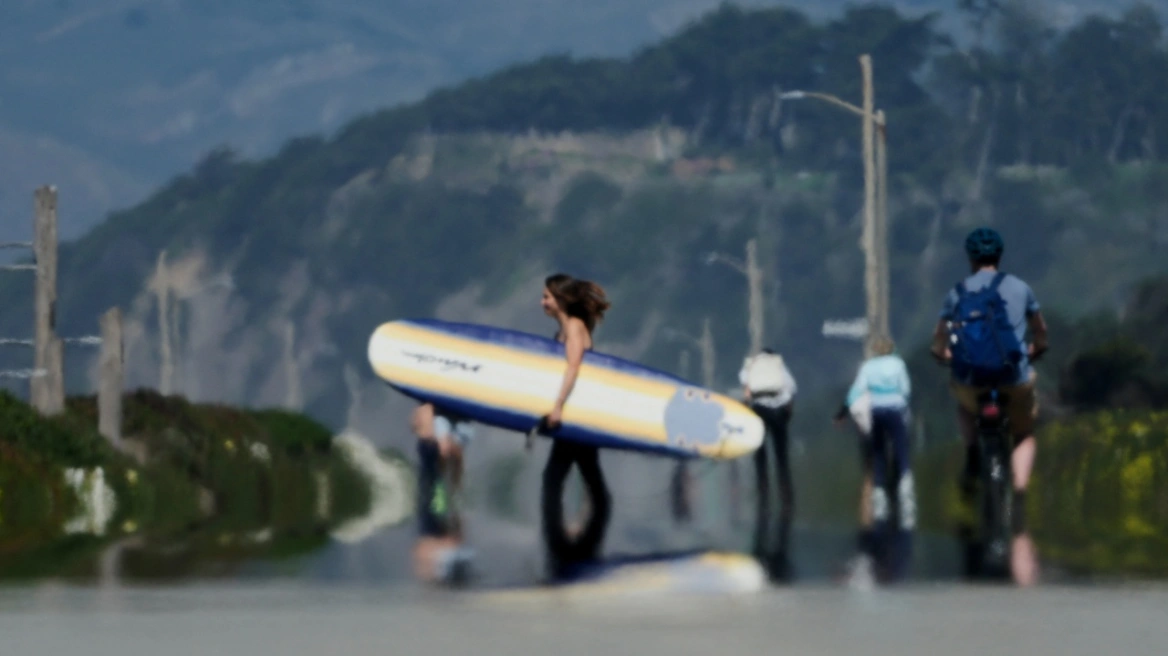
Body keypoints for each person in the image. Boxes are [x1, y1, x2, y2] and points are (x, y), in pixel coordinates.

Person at [930, 227, 1049, 533]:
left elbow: (939, 337)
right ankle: (1019, 493)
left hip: (972, 381)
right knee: (1024, 432)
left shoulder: (957, 292)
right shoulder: (1021, 288)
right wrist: (1036, 348)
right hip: (1014, 377)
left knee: (963, 403)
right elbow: (1040, 330)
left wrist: (942, 355)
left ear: (970, 257)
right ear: (999, 255)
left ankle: (972, 450)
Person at [537, 273, 613, 576]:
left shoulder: (574, 327)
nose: (542, 302)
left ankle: (565, 553)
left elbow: (573, 367)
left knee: (555, 478)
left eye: (546, 297)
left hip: (576, 413)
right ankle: (579, 547)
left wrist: (557, 408)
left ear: (560, 300)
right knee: (582, 475)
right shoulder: (565, 328)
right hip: (575, 414)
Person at [834, 334, 914, 530]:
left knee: (878, 452)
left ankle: (879, 495)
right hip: (896, 410)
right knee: (900, 448)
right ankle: (905, 492)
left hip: (877, 411)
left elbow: (857, 390)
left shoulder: (868, 367)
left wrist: (842, 411)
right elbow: (906, 389)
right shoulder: (898, 364)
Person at [410, 402, 475, 585]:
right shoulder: (428, 411)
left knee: (435, 496)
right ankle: (451, 504)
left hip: (436, 509)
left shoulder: (434, 413)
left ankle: (451, 504)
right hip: (432, 464)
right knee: (433, 493)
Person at [739, 348, 798, 527]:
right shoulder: (779, 367)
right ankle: (786, 499)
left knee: (760, 456)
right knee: (781, 457)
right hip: (779, 412)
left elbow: (745, 385)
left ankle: (763, 497)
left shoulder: (750, 366)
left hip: (759, 412)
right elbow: (792, 387)